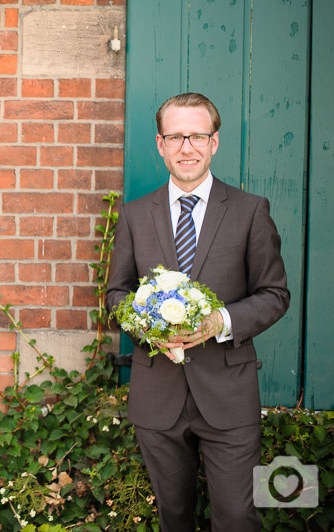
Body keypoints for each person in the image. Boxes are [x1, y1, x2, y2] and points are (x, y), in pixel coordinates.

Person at [106, 93, 290, 531]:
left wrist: (218, 322)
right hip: (158, 397)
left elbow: (274, 293)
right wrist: (146, 327)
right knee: (173, 518)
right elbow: (116, 294)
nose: (186, 147)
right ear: (160, 144)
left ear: (214, 143)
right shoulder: (134, 216)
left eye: (197, 136)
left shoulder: (249, 211)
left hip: (227, 393)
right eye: (175, 136)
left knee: (236, 517)